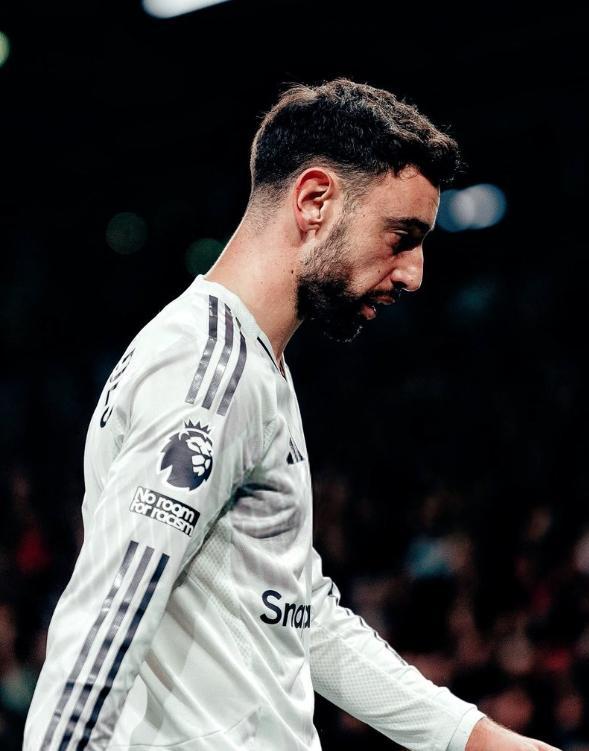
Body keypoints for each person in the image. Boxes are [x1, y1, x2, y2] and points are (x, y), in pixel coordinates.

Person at [23, 78, 560, 751]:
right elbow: (108, 616)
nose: (414, 273)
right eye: (402, 236)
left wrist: (478, 739)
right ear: (313, 201)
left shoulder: (251, 364)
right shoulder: (209, 371)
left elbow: (299, 613)